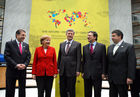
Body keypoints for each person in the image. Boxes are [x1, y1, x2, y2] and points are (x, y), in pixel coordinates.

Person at [107, 29, 136, 97]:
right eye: (112, 36)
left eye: (114, 36)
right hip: (111, 78)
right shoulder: (110, 47)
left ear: (120, 36)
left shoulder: (128, 46)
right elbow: (108, 62)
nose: (112, 38)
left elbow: (131, 63)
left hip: (122, 78)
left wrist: (130, 77)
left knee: (123, 94)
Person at [4, 29, 31, 97]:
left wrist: (25, 64)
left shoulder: (26, 45)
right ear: (17, 35)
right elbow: (7, 56)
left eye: (25, 35)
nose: (24, 37)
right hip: (11, 71)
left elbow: (28, 56)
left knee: (22, 90)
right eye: (22, 35)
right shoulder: (9, 44)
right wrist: (16, 65)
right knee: (10, 89)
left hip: (22, 71)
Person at [82, 31, 106, 97]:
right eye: (87, 35)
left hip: (97, 74)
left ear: (95, 37)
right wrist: (83, 71)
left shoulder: (101, 46)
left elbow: (104, 60)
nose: (88, 37)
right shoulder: (85, 47)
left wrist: (103, 73)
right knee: (87, 92)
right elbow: (84, 61)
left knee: (97, 92)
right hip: (87, 74)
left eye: (89, 35)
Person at [58, 29, 81, 97]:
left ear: (73, 35)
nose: (70, 35)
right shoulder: (62, 44)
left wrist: (78, 70)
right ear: (66, 34)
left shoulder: (77, 44)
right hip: (62, 71)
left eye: (71, 34)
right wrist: (58, 67)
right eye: (68, 33)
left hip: (72, 71)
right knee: (62, 89)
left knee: (71, 89)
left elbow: (79, 58)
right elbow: (59, 57)